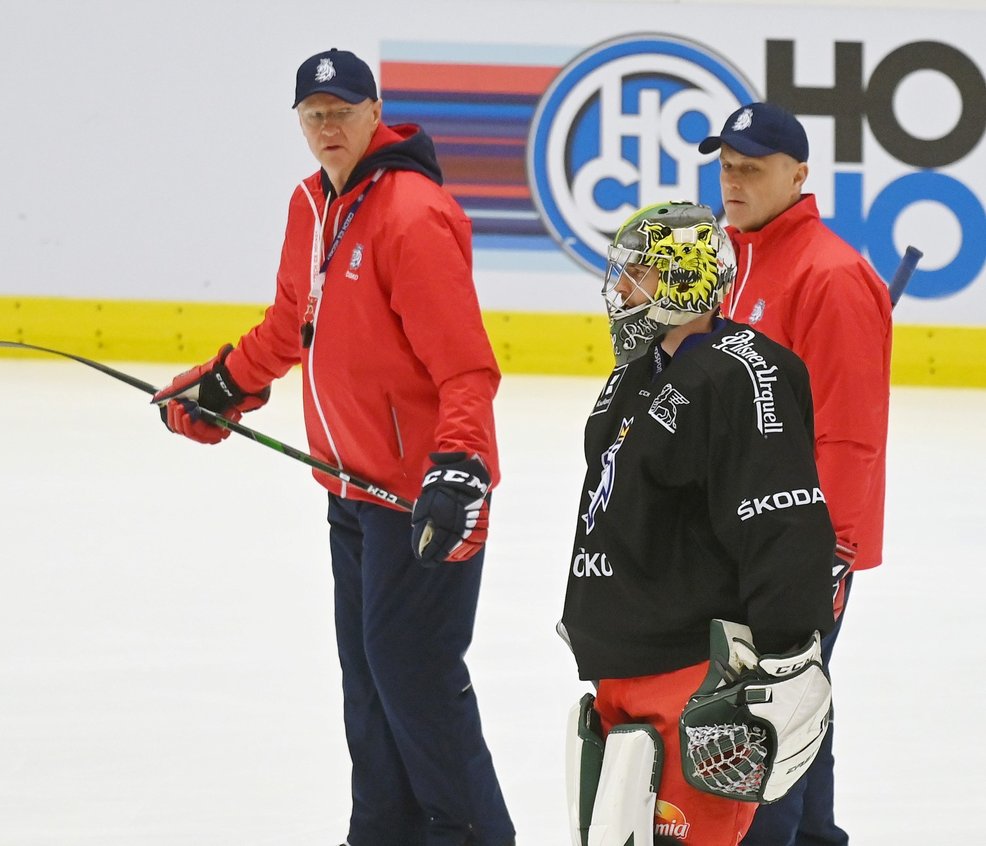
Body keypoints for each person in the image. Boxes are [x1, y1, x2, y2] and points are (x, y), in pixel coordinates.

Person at [151, 48, 515, 846]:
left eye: (342, 112)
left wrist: (459, 471)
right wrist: (222, 386)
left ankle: (474, 834)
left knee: (413, 678)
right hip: (348, 491)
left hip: (419, 501)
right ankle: (383, 831)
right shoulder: (312, 204)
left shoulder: (413, 216)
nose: (326, 128)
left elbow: (466, 367)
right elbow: (291, 325)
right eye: (312, 116)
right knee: (369, 684)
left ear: (374, 111)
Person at [558, 201, 837, 846]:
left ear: (686, 278)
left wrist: (790, 651)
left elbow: (781, 514)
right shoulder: (636, 376)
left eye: (641, 275)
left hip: (692, 675)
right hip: (621, 662)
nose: (622, 290)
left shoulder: (743, 372)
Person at [699, 101, 893, 846]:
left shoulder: (832, 278)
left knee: (766, 737)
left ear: (799, 175)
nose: (735, 179)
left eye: (752, 167)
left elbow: (850, 436)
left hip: (794, 552)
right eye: (727, 165)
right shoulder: (733, 261)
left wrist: (831, 554)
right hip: (738, 543)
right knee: (797, 716)